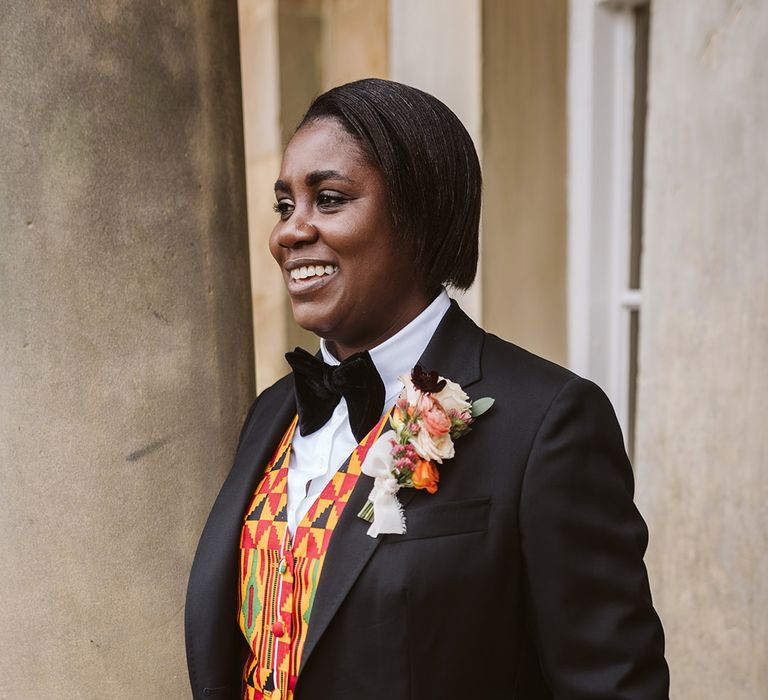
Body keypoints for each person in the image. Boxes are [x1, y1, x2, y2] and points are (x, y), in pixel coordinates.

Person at [185, 78, 669, 700]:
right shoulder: (272, 414)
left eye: (328, 199)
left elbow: (613, 686)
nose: (289, 233)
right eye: (285, 206)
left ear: (419, 214)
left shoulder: (547, 423)